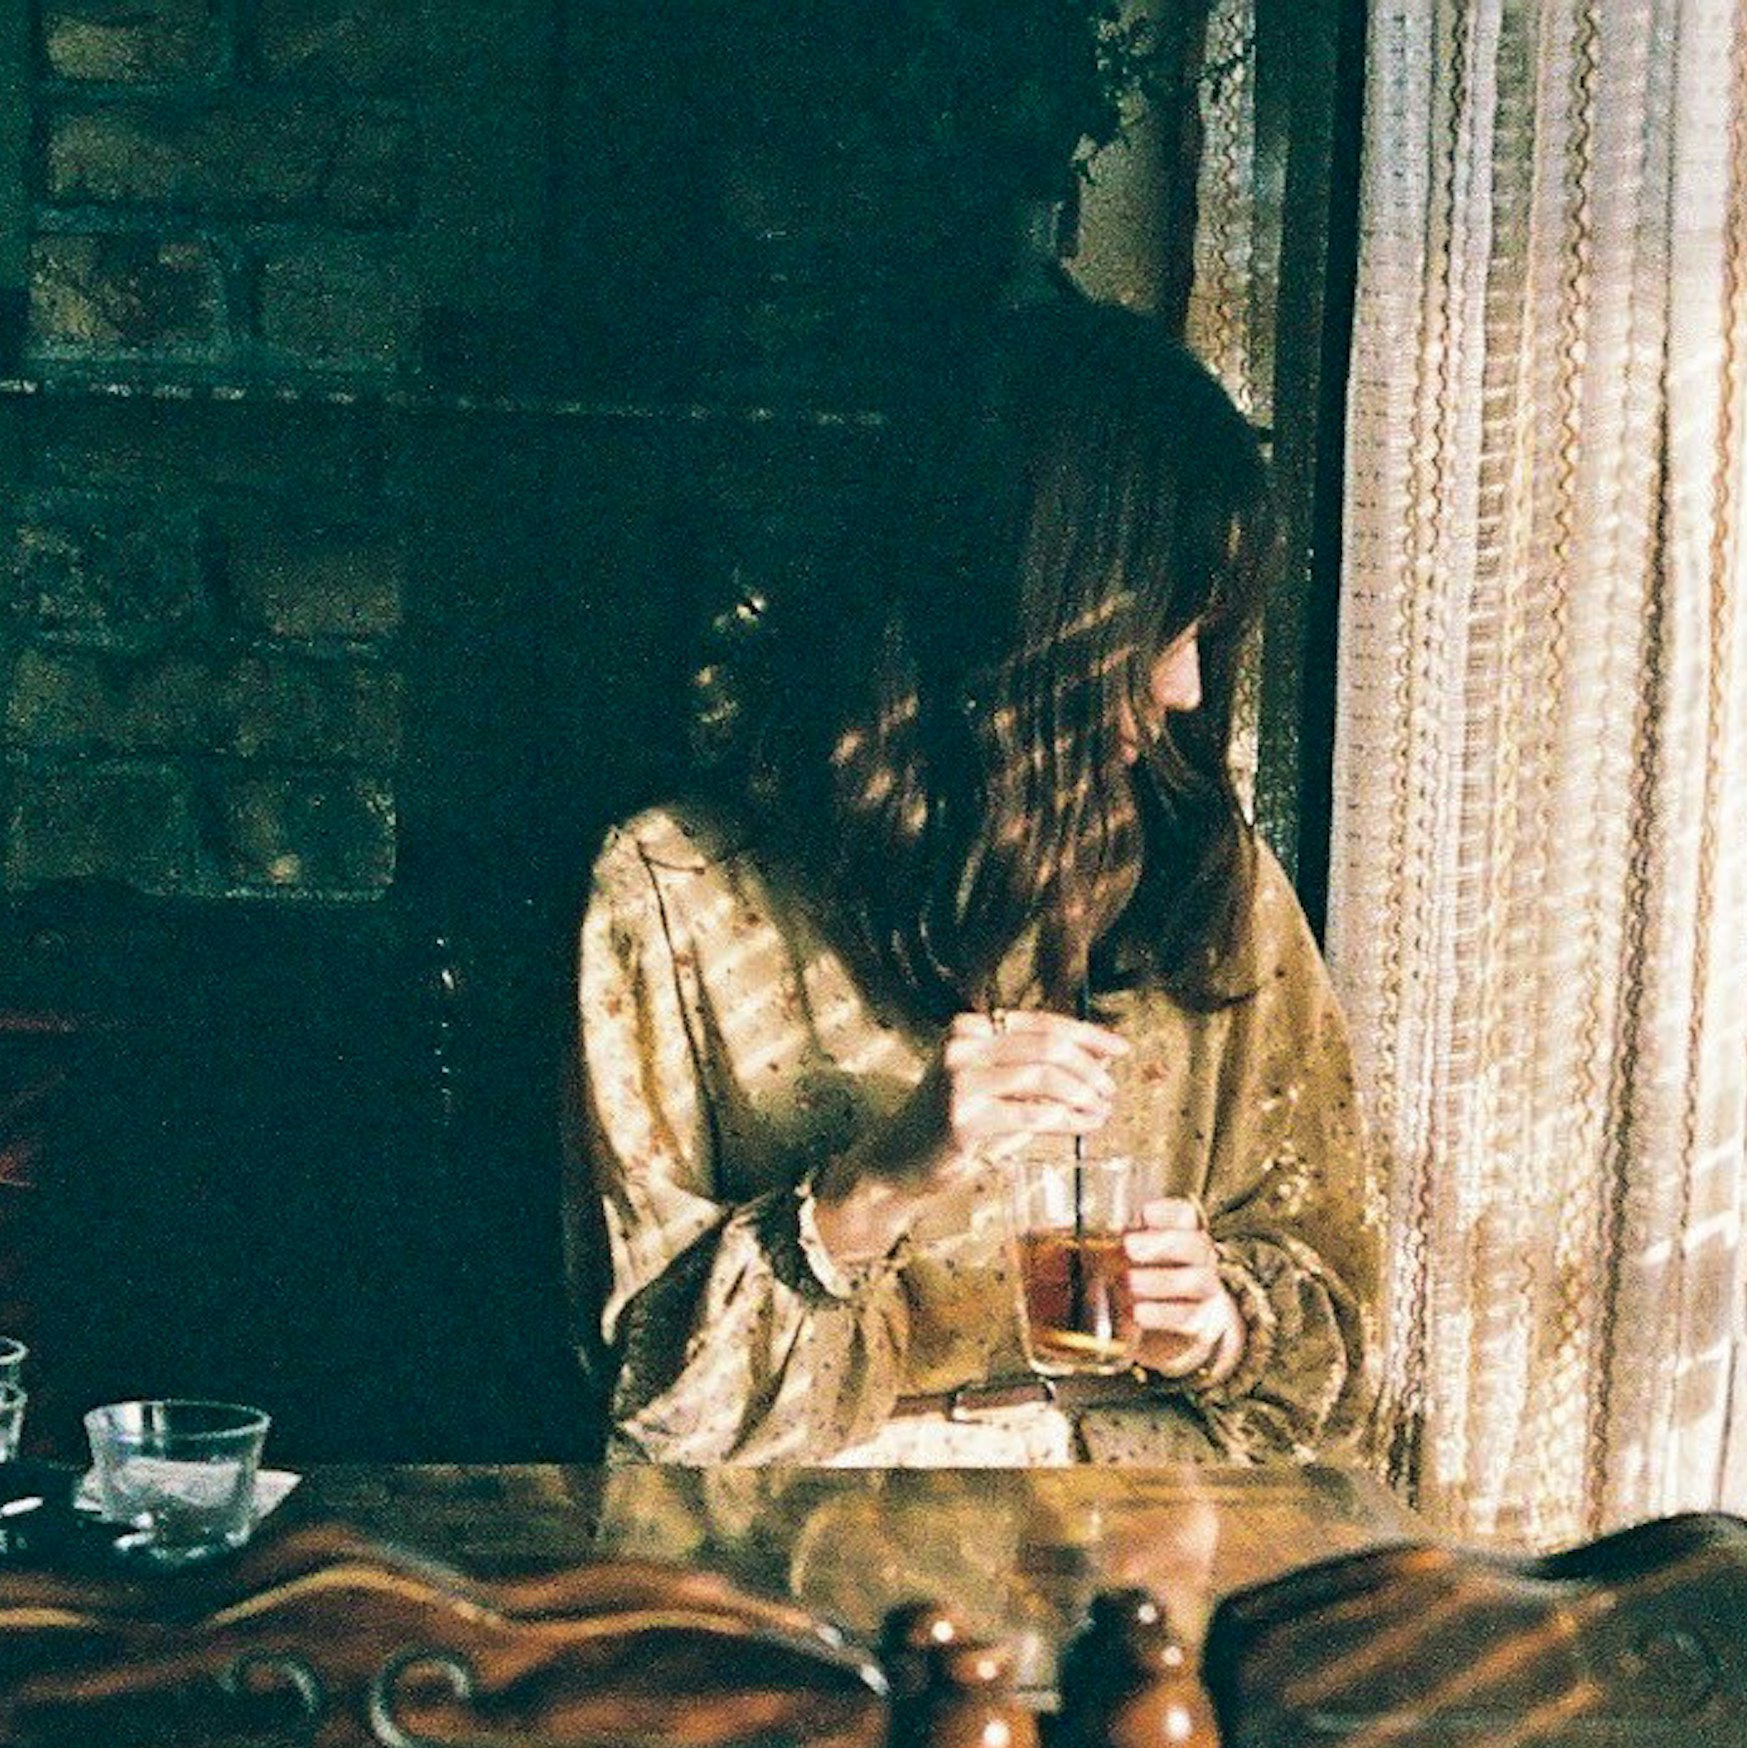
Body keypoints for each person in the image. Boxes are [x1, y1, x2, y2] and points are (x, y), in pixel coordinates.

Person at [574, 296, 1382, 1467]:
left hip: (1155, 1547)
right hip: (819, 1560)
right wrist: (873, 1188)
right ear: (1027, 622)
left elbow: (1342, 1333)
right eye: (1160, 633)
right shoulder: (681, 894)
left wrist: (1218, 1324)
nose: (1187, 691)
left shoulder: (1212, 880)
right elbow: (658, 1410)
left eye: (1207, 636)